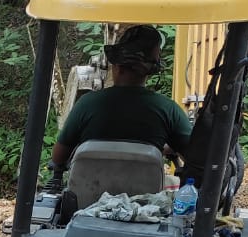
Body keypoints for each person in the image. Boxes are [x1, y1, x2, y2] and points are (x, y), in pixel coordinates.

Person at [50, 25, 191, 172]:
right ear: (149, 71)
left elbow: (58, 157)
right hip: (147, 195)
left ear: (117, 65)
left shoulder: (86, 104)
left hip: (88, 193)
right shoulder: (168, 110)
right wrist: (162, 148)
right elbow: (196, 157)